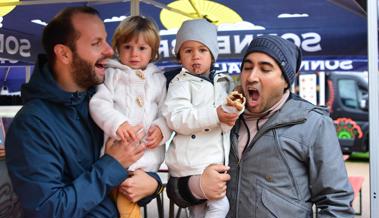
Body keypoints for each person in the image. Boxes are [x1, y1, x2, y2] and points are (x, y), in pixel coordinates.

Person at [166, 35, 355, 217]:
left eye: (265, 69)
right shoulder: (222, 117)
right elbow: (174, 191)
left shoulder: (312, 123)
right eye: (247, 68)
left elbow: (336, 204)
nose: (251, 77)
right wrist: (197, 186)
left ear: (286, 81)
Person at [5, 7, 163, 218]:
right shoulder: (32, 125)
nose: (109, 50)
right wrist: (112, 164)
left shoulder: (103, 99)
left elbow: (130, 177)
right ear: (64, 53)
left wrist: (153, 183)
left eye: (106, 40)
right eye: (96, 43)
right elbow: (49, 210)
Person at [89, 15, 170, 218]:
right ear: (117, 48)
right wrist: (118, 123)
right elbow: (98, 103)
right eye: (127, 47)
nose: (134, 53)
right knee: (123, 207)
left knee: (127, 203)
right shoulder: (111, 74)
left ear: (152, 52)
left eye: (142, 48)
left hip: (146, 162)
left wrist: (162, 128)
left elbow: (167, 111)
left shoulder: (158, 79)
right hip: (116, 157)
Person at [162, 19, 239, 218]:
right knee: (219, 206)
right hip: (191, 162)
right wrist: (215, 115)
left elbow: (222, 119)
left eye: (202, 50)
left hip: (212, 159)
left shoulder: (222, 82)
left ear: (212, 55)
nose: (195, 56)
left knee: (202, 211)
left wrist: (229, 119)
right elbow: (177, 118)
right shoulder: (179, 83)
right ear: (179, 56)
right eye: (188, 51)